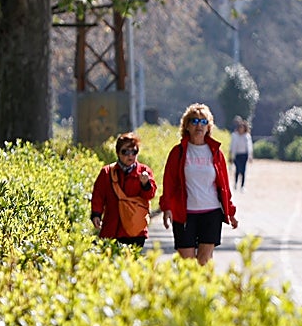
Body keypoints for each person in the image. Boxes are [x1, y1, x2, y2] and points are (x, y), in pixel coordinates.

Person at [160, 103, 238, 264]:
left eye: (203, 122)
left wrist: (230, 211)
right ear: (186, 126)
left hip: (211, 212)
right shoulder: (178, 152)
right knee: (187, 263)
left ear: (208, 126)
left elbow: (224, 186)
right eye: (194, 121)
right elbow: (169, 182)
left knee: (204, 261)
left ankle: (204, 290)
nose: (199, 125)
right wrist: (166, 207)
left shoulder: (215, 152)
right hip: (184, 214)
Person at [91, 131, 157, 246]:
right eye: (125, 152)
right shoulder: (107, 173)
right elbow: (98, 195)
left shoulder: (144, 172)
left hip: (136, 230)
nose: (130, 156)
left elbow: (149, 195)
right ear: (118, 153)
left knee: (133, 262)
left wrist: (145, 184)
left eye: (134, 151)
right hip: (113, 229)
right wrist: (96, 214)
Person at [230, 118, 254, 191]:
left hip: (244, 155)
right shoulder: (234, 135)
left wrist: (250, 156)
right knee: (237, 169)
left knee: (243, 170)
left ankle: (242, 186)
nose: (241, 129)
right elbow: (232, 146)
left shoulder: (247, 136)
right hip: (237, 154)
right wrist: (231, 155)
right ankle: (235, 184)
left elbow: (249, 146)